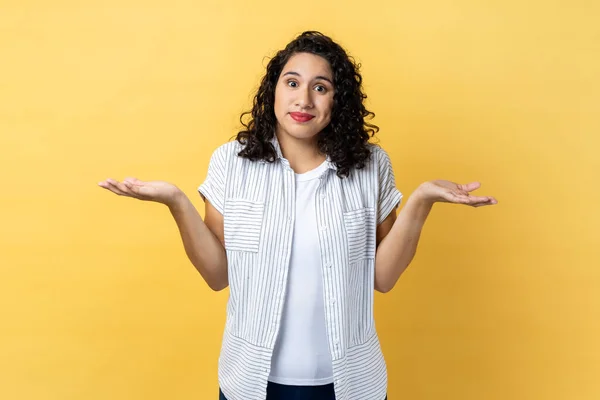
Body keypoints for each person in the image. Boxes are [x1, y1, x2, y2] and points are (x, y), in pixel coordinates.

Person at [98, 31, 497, 400]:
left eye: (320, 87)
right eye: (292, 83)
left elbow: (383, 278)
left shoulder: (371, 166)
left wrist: (422, 200)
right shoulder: (231, 163)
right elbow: (218, 276)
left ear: (336, 101)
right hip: (251, 384)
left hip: (351, 385)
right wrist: (176, 201)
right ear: (272, 91)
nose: (304, 99)